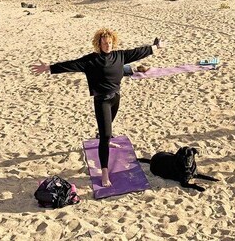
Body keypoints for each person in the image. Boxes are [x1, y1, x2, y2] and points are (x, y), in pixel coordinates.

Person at [30, 29, 163, 187]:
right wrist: (49, 68)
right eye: (105, 43)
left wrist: (156, 47)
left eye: (110, 42)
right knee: (106, 136)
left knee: (108, 127)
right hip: (102, 101)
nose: (108, 45)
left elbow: (138, 52)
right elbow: (71, 65)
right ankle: (105, 172)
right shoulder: (91, 60)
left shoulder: (119, 55)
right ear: (99, 44)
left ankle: (104, 137)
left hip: (115, 98)